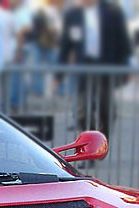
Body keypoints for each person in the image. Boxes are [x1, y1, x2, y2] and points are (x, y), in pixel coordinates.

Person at [57, 0, 132, 137]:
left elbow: (123, 42)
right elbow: (65, 46)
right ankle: (88, 144)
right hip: (84, 68)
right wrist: (58, 75)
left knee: (107, 110)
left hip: (106, 68)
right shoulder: (73, 15)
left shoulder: (112, 12)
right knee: (82, 111)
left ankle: (102, 141)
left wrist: (126, 67)